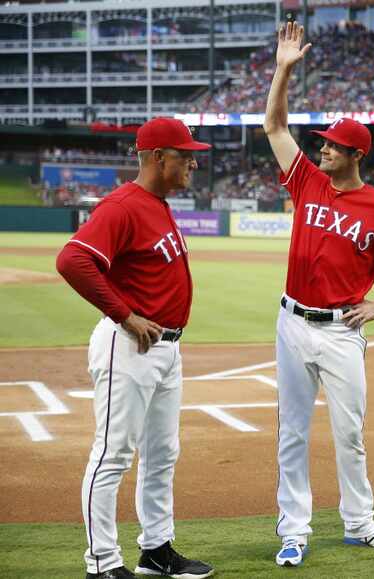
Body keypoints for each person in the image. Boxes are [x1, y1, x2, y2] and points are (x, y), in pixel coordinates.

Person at [262, 22, 374, 567]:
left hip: (339, 331)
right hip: (292, 323)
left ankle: (360, 525)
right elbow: (274, 124)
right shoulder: (307, 179)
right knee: (291, 433)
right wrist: (283, 69)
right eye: (325, 143)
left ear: (354, 153)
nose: (322, 148)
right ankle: (294, 531)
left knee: (349, 433)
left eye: (332, 144)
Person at [55, 117, 215, 579]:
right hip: (129, 345)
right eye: (184, 154)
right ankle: (102, 563)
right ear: (156, 157)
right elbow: (72, 259)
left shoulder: (159, 204)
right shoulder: (123, 205)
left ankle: (156, 549)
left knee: (162, 453)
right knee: (113, 455)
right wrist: (124, 313)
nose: (192, 161)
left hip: (166, 349)